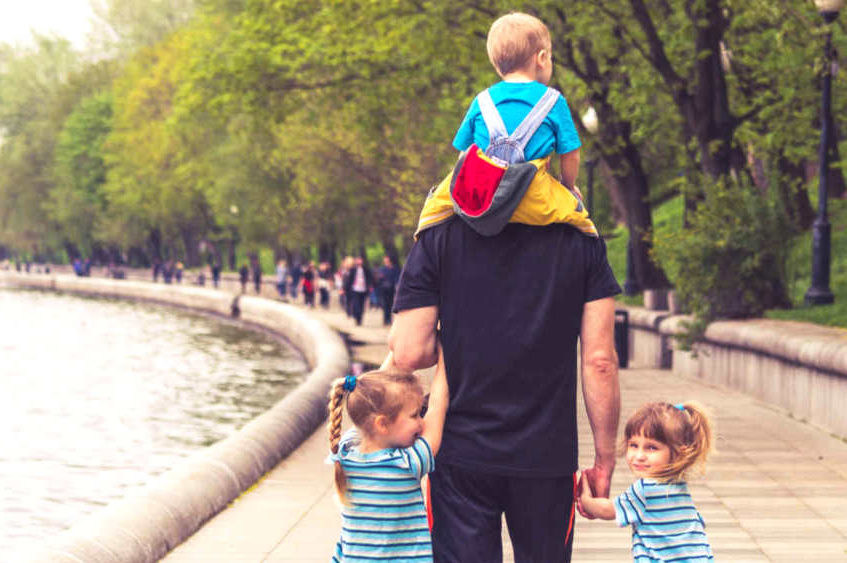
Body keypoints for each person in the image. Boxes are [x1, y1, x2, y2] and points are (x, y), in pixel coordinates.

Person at [386, 14, 622, 553]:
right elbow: (600, 360)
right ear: (542, 58)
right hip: (546, 457)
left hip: (460, 450)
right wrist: (605, 461)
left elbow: (409, 349)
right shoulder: (581, 239)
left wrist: (459, 345)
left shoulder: (441, 233)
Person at [415, 12, 597, 242]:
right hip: (535, 198)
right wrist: (568, 187)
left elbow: (464, 156)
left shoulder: (481, 101)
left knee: (431, 214)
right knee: (585, 228)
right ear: (542, 58)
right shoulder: (554, 101)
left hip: (484, 197)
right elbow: (571, 154)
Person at [327, 357, 449, 563]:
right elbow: (438, 406)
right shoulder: (407, 463)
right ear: (382, 424)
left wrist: (397, 354)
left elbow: (368, 404)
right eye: (415, 415)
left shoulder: (345, 452)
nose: (421, 423)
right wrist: (445, 358)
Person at [579, 401, 715, 562]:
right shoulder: (678, 485)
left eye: (652, 448)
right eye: (634, 445)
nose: (639, 456)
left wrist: (586, 500)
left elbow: (608, 510)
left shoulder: (645, 490)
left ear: (678, 452)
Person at [343, 256, 373, 326]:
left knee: (362, 305)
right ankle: (356, 316)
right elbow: (349, 280)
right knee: (356, 304)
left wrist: (370, 286)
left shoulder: (366, 269)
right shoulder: (353, 270)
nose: (359, 262)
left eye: (360, 260)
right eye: (358, 260)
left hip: (363, 289)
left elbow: (369, 278)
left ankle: (360, 319)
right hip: (355, 289)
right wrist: (345, 288)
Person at [376, 255, 400, 326]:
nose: (385, 261)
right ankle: (385, 319)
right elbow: (379, 280)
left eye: (387, 259)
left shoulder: (395, 269)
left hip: (391, 289)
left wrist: (396, 285)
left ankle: (389, 319)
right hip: (384, 289)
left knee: (390, 305)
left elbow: (397, 278)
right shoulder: (382, 269)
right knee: (385, 305)